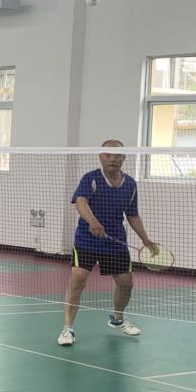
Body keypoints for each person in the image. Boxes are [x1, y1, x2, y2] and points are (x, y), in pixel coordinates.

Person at [58, 140, 159, 346]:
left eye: (117, 155)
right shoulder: (91, 178)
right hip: (87, 240)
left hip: (115, 241)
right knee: (78, 279)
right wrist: (93, 222)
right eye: (107, 155)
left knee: (126, 284)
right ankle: (67, 329)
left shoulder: (130, 184)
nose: (112, 159)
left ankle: (117, 319)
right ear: (100, 156)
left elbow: (132, 214)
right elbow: (80, 202)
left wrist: (146, 240)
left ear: (124, 157)